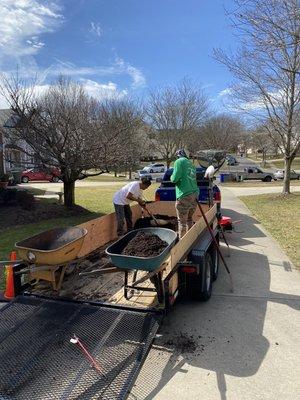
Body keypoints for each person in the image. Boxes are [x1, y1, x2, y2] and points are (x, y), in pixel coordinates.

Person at [171, 149, 199, 238]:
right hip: (194, 194)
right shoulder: (191, 164)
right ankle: (189, 239)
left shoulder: (179, 161)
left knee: (182, 222)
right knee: (189, 219)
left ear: (178, 155)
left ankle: (182, 243)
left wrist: (171, 177)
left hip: (184, 194)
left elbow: (174, 179)